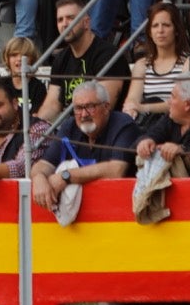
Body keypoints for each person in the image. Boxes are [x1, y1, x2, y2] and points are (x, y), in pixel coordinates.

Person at [29, 80, 136, 221]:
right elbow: (44, 164)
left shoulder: (123, 124)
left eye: (90, 107)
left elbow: (116, 170)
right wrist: (39, 178)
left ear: (106, 107)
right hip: (81, 223)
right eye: (78, 108)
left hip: (123, 216)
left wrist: (65, 177)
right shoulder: (70, 126)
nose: (84, 114)